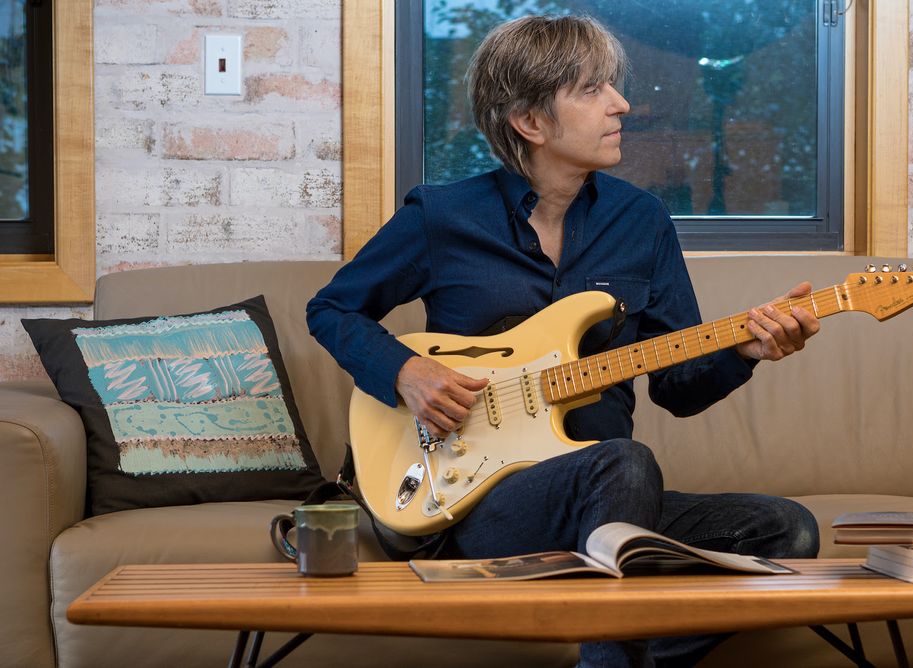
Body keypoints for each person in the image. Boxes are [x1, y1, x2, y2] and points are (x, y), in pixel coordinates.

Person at [307, 14, 821, 667]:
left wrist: (747, 351)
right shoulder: (443, 217)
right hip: (474, 499)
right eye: (592, 90)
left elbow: (677, 390)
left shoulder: (642, 222)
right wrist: (406, 372)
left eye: (614, 86)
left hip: (607, 501)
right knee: (623, 459)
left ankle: (612, 656)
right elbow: (332, 310)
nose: (622, 104)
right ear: (531, 122)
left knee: (787, 530)